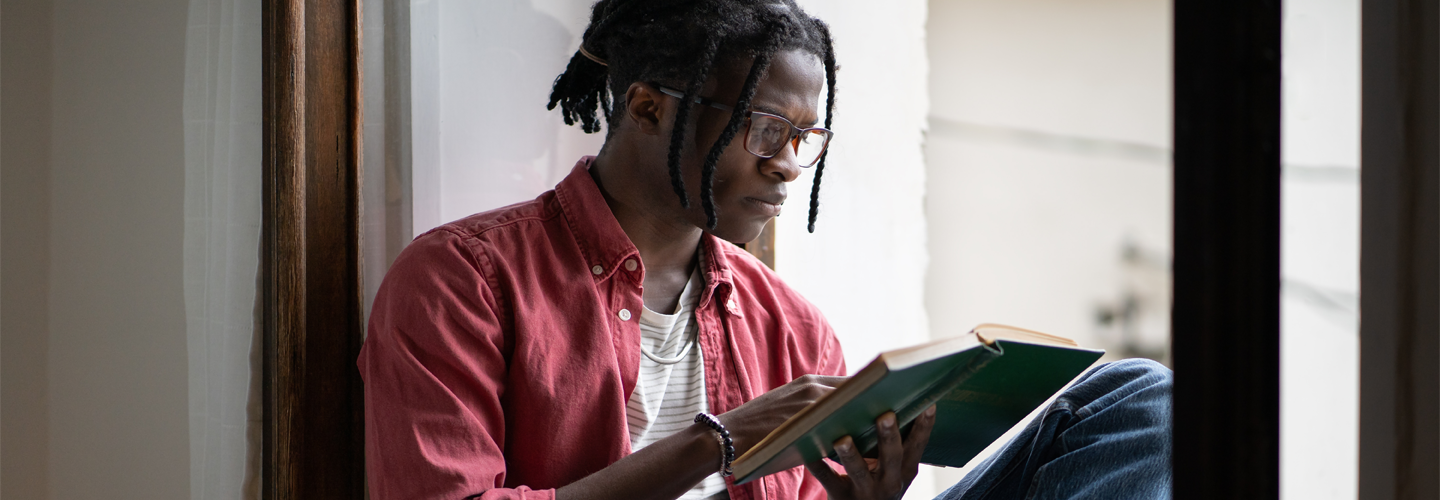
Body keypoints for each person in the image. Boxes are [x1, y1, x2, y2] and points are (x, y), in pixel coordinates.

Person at [359, 1, 1173, 499]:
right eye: (766, 130)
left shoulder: (790, 324)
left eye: (806, 137)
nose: (787, 161)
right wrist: (717, 440)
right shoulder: (462, 282)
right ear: (646, 108)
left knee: (1140, 399)